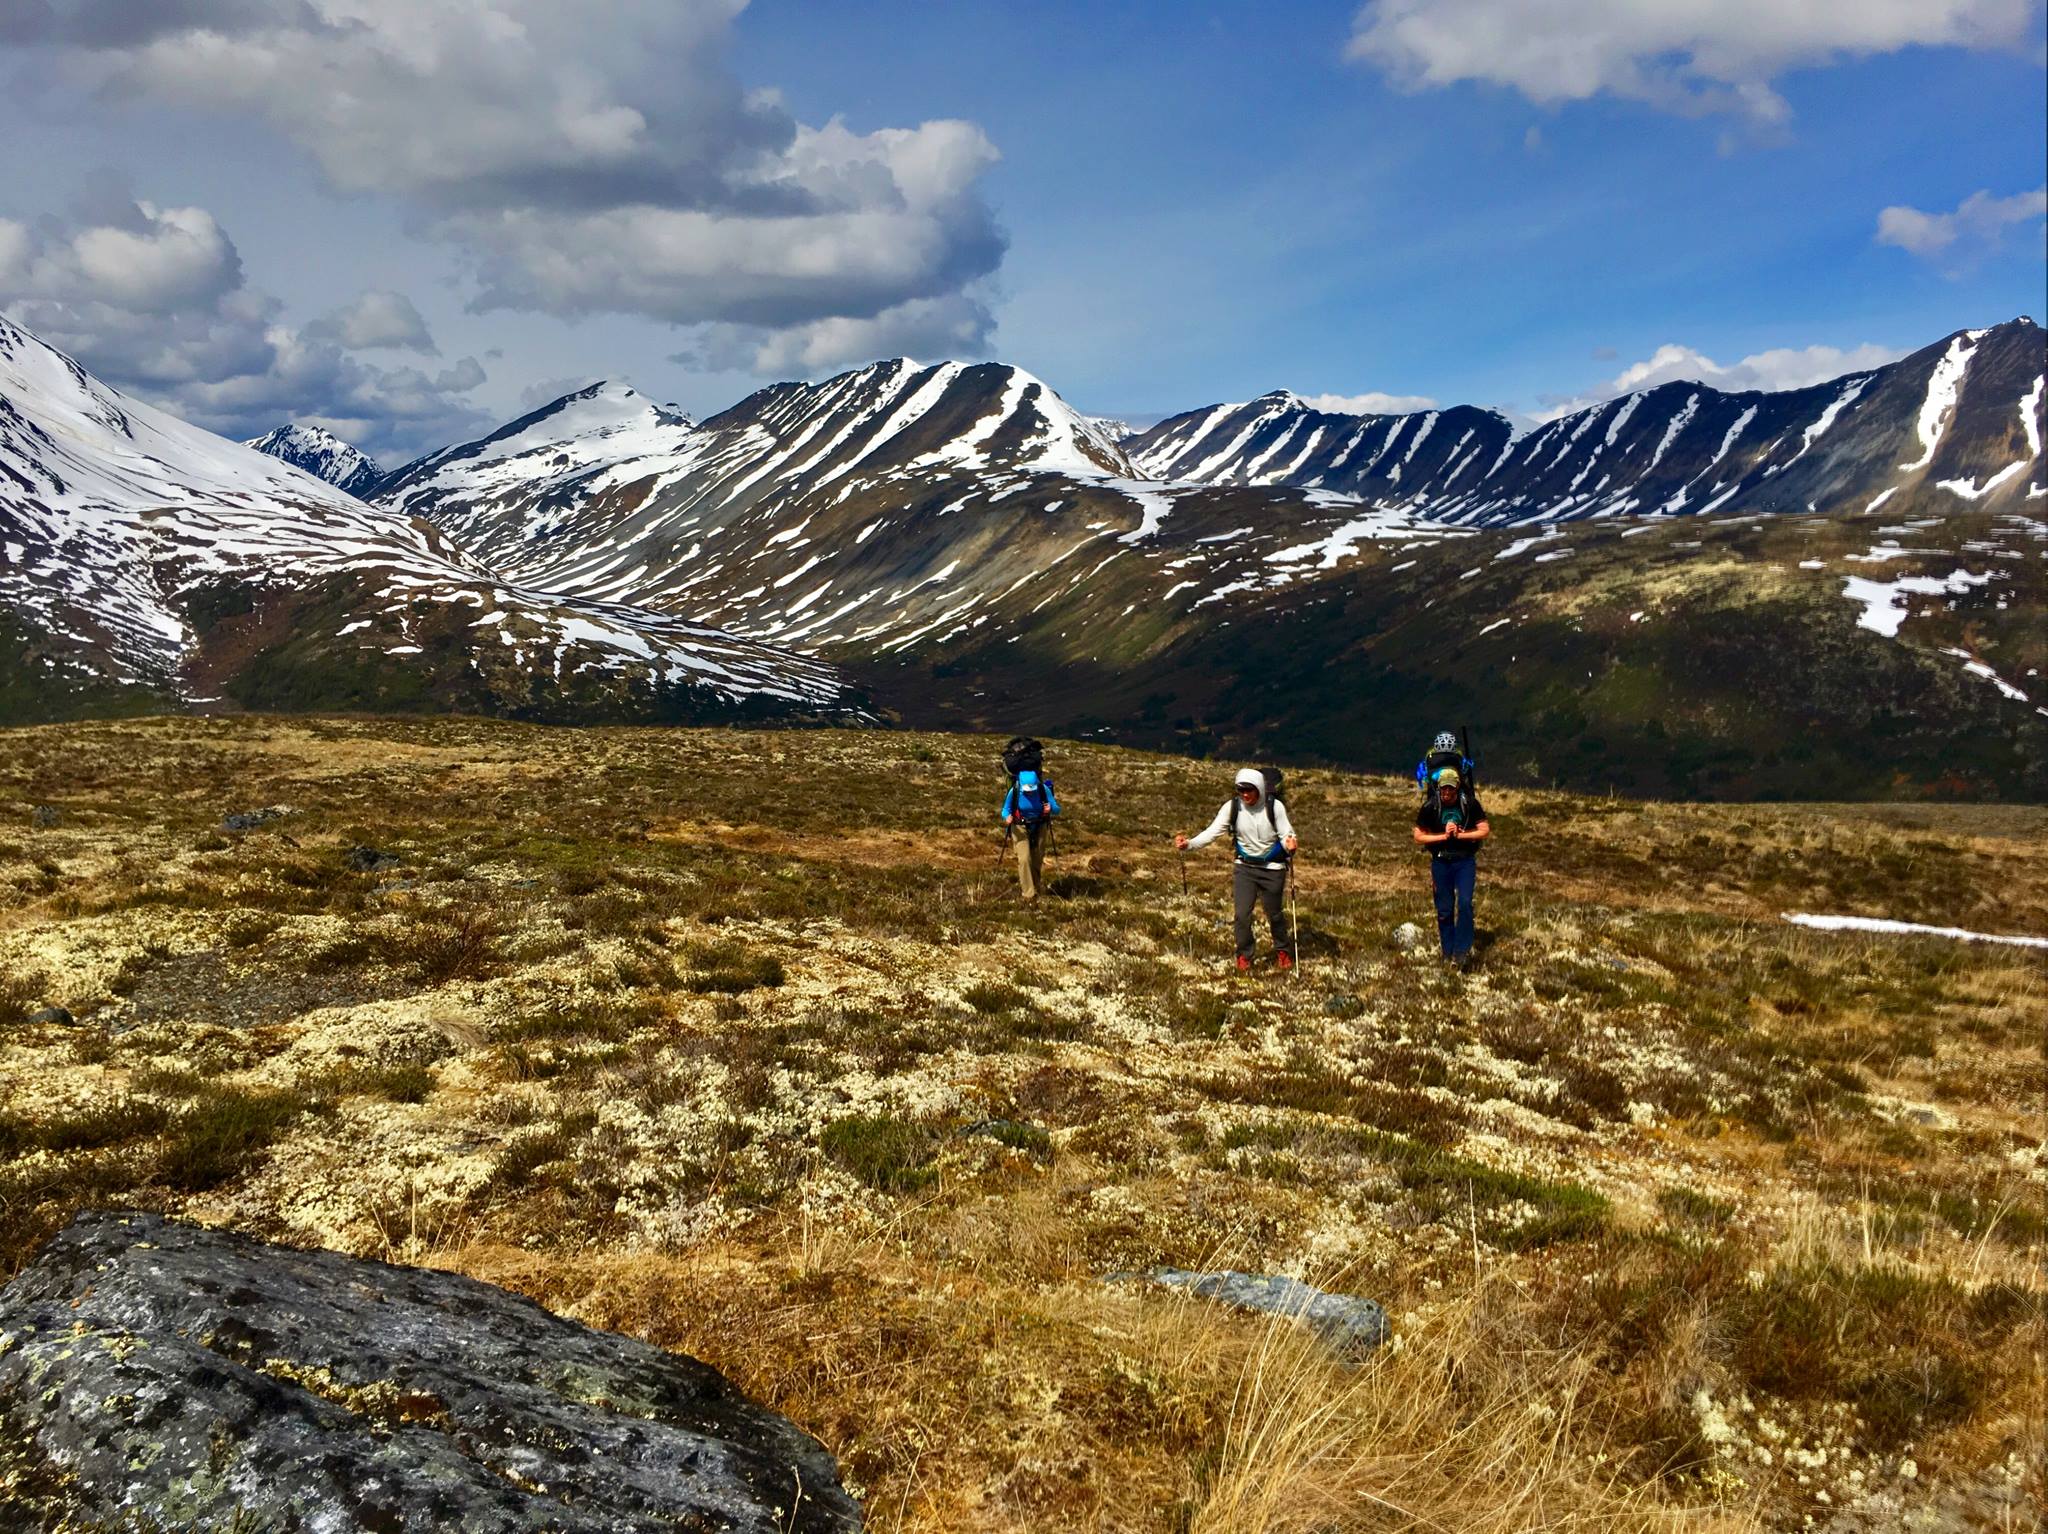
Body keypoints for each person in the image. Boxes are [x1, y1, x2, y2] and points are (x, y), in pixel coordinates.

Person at [1176, 768, 1298, 973]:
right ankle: (1244, 956)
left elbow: (1287, 834)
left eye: (1249, 790)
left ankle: (1283, 951)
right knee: (1242, 915)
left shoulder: (1274, 807)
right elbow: (1213, 832)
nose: (1245, 794)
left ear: (1259, 789)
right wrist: (1189, 844)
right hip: (1245, 868)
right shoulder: (1232, 808)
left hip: (1273, 869)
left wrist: (1290, 845)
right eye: (1241, 790)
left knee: (1274, 914)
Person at [1413, 765, 1489, 966]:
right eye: (1443, 788)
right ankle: (1448, 952)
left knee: (1464, 903)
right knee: (1444, 909)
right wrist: (1443, 836)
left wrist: (1461, 835)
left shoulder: (1469, 804)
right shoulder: (1431, 806)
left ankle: (1461, 951)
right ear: (1439, 788)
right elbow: (1418, 836)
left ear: (1457, 788)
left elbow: (1484, 830)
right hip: (1440, 861)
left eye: (1450, 789)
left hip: (1464, 861)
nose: (1447, 792)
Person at [1000, 762, 1060, 901]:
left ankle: (1036, 887)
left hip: (1040, 825)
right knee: (1024, 859)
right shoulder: (1015, 791)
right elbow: (1005, 809)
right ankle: (1028, 894)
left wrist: (1051, 808)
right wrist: (1007, 817)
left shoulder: (1043, 789)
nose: (1030, 792)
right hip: (1019, 827)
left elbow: (1057, 809)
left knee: (1037, 859)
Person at [1413, 730, 1475, 796]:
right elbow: (1466, 768)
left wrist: (1422, 783)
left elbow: (1422, 772)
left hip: (1434, 788)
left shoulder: (1430, 754)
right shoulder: (1458, 754)